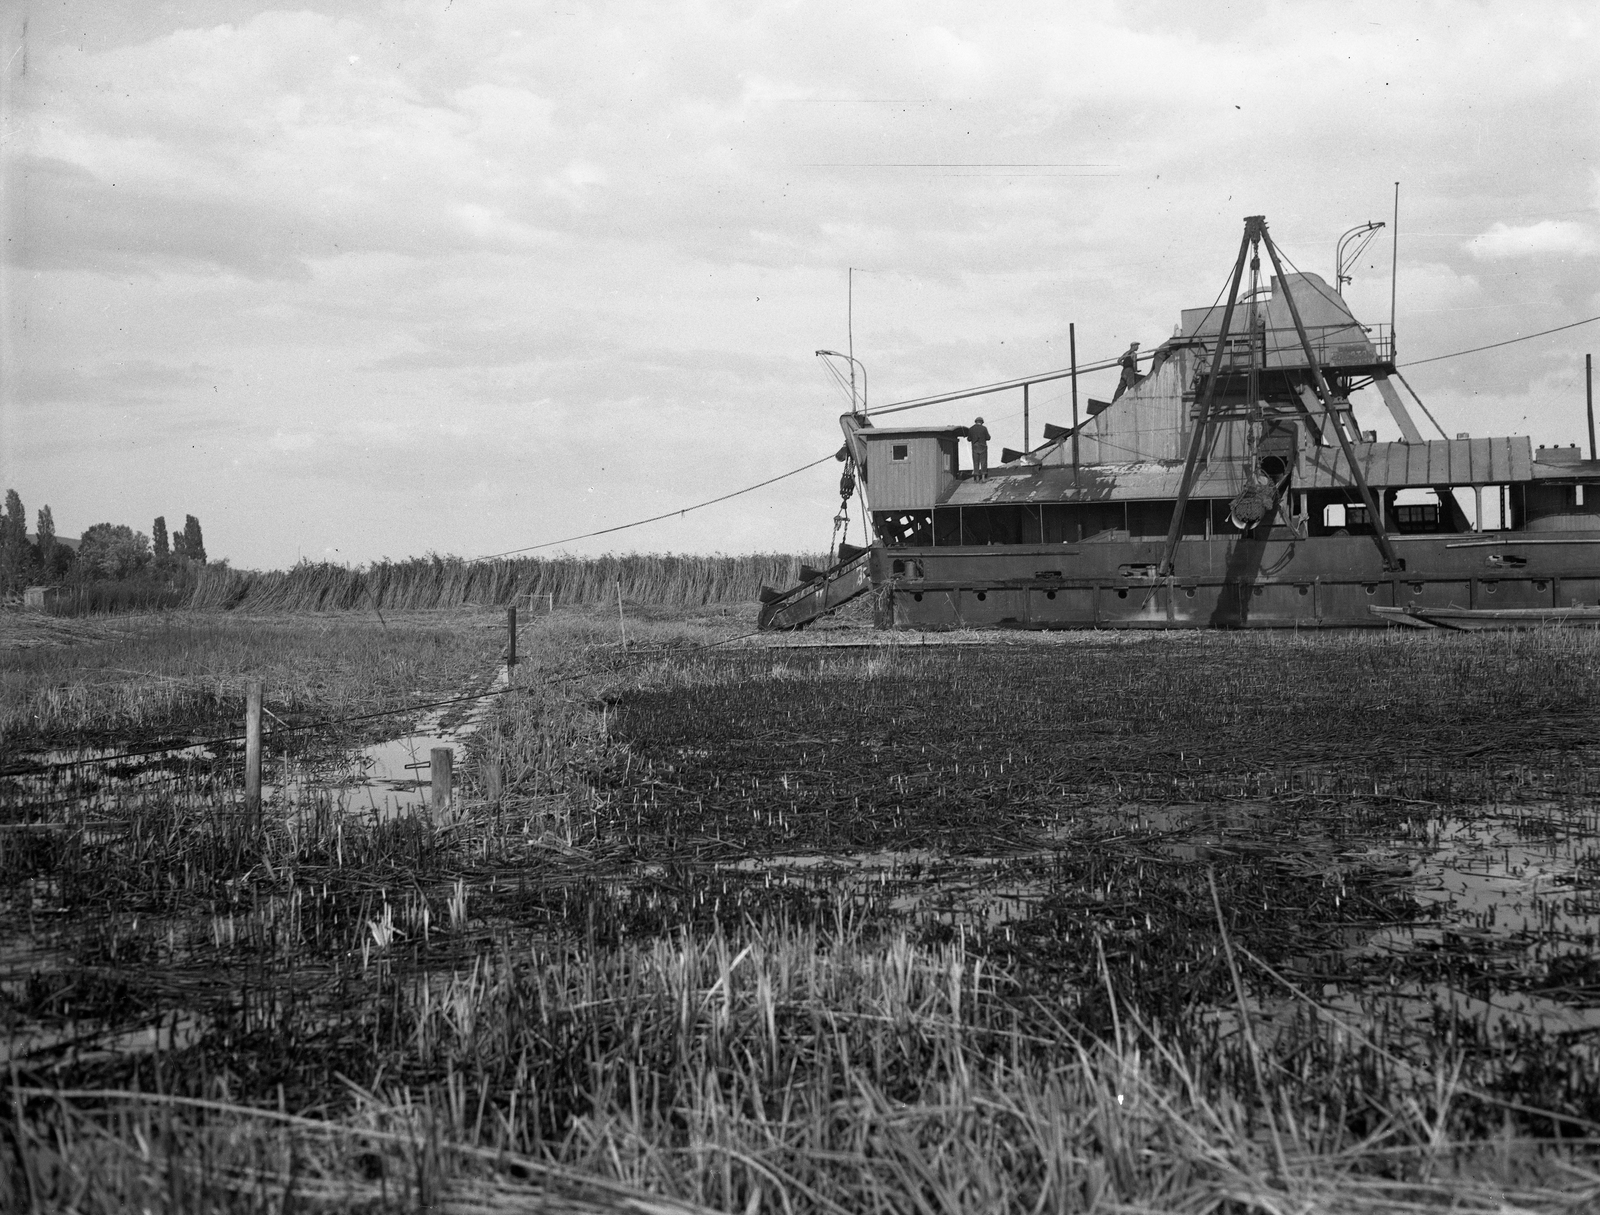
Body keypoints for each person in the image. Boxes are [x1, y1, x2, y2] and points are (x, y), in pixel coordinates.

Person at [968, 416, 991, 481]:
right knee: (983, 462)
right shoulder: (984, 428)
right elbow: (988, 437)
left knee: (975, 462)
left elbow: (969, 439)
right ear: (981, 422)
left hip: (975, 447)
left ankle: (977, 478)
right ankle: (983, 478)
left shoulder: (971, 429)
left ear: (976, 422)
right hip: (983, 447)